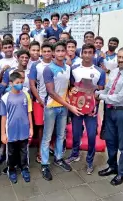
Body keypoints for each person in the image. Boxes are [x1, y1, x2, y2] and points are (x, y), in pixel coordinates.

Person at [96, 47, 123, 186]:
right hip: (110, 111)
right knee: (110, 141)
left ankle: (122, 173)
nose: (121, 60)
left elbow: (119, 98)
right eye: (119, 57)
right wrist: (94, 90)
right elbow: (108, 90)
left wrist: (99, 96)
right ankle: (112, 166)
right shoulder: (114, 72)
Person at [41, 41, 82, 181]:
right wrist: (69, 106)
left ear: (66, 52)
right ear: (53, 53)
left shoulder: (68, 68)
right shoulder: (48, 69)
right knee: (47, 137)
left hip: (64, 107)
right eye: (57, 51)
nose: (59, 53)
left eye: (62, 51)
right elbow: (51, 92)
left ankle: (58, 159)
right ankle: (45, 164)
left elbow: (69, 85)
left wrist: (73, 90)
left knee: (60, 135)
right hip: (51, 107)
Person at [66, 44, 105, 175]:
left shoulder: (100, 72)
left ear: (94, 54)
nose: (87, 55)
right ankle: (75, 154)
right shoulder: (74, 69)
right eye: (85, 52)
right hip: (76, 108)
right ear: (81, 53)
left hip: (91, 110)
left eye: (90, 52)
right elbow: (70, 86)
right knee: (76, 133)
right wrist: (73, 90)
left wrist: (96, 106)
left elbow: (100, 91)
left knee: (92, 136)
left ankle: (89, 160)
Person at [0, 72, 33, 184]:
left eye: (21, 82)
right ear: (11, 83)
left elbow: (29, 113)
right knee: (11, 152)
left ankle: (24, 168)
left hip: (24, 129)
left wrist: (31, 128)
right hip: (11, 131)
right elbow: (3, 117)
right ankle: (11, 170)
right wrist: (3, 134)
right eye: (17, 83)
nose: (20, 84)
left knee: (24, 151)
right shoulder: (5, 97)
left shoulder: (26, 95)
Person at [29, 42, 53, 163]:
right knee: (41, 127)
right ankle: (40, 151)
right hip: (39, 101)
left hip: (54, 101)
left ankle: (49, 146)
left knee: (52, 125)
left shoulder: (56, 64)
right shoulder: (36, 66)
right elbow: (32, 84)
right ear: (41, 52)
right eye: (44, 51)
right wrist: (39, 99)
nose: (47, 53)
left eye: (49, 51)